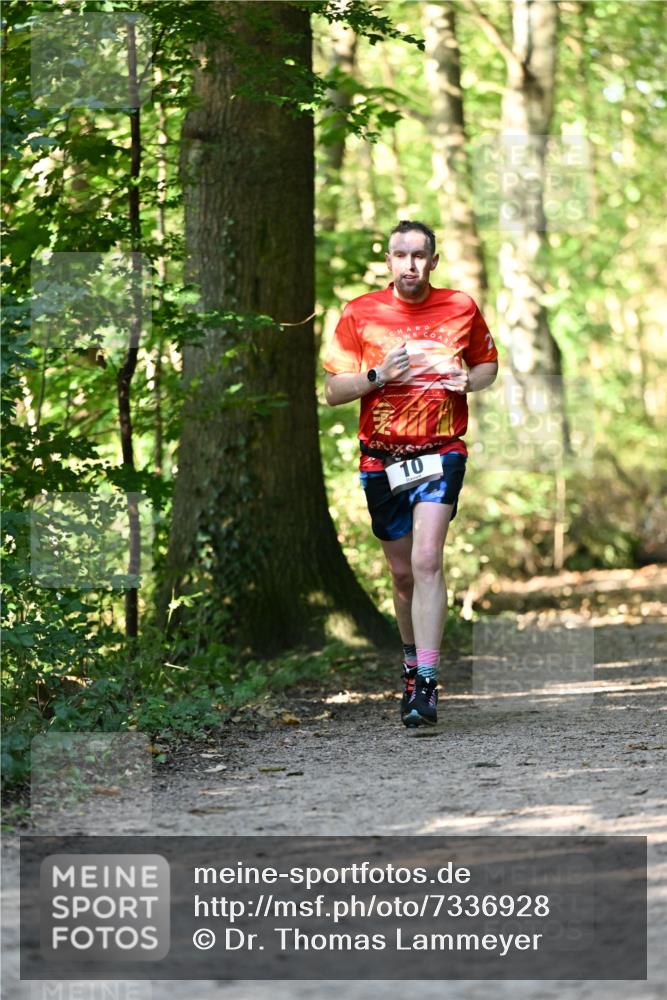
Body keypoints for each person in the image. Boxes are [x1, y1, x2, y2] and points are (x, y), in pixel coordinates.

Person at [323, 221, 498, 728]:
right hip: (381, 458)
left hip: (441, 452)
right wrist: (380, 376)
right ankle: (408, 664)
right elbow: (333, 391)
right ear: (388, 261)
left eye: (420, 255)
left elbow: (488, 365)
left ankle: (426, 682)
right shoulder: (360, 313)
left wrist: (469, 380)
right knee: (401, 575)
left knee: (426, 560)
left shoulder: (460, 306)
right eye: (401, 255)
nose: (410, 264)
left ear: (434, 261)